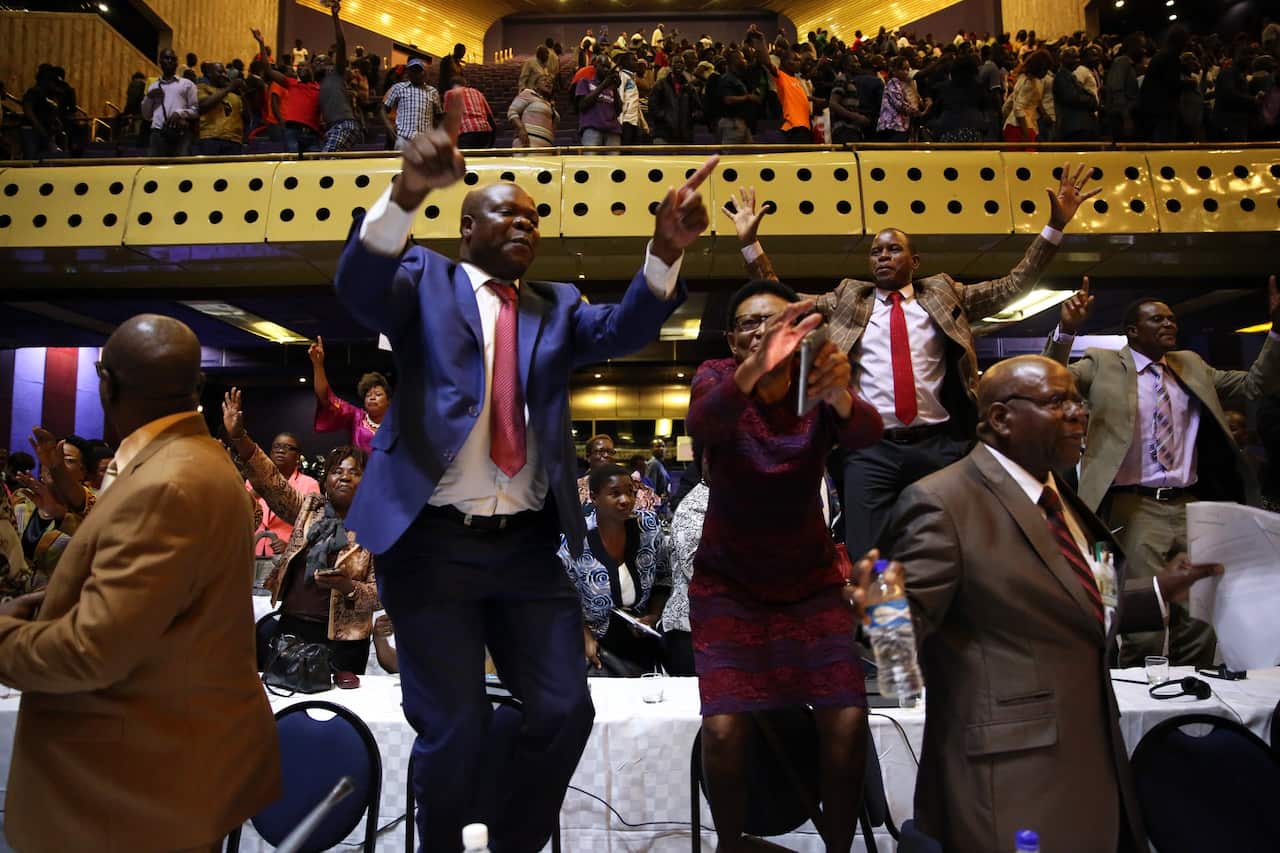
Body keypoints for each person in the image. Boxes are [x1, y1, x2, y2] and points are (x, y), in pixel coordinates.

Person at [331, 92, 715, 851]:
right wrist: (407, 189)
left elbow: (626, 327)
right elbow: (357, 286)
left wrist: (665, 249)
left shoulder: (556, 304)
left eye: (535, 217)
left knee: (565, 708)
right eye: (508, 213)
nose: (525, 224)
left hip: (525, 549)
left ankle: (509, 840)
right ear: (466, 227)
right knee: (453, 727)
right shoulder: (422, 280)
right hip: (431, 546)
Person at [867, 355, 1222, 851]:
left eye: (1078, 400)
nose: (1080, 413)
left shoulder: (1066, 498)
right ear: (1000, 419)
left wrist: (1161, 591)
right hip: (1010, 779)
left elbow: (1087, 601)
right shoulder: (941, 503)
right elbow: (898, 653)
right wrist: (880, 610)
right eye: (1058, 401)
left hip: (1094, 760)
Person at [724, 165, 1100, 567]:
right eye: (876, 251)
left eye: (893, 249)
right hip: (870, 449)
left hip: (940, 443)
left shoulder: (943, 292)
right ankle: (880, 627)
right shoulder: (850, 297)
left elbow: (1012, 285)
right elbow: (786, 302)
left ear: (914, 260)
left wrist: (1054, 228)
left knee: (956, 546)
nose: (882, 256)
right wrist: (750, 244)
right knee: (867, 555)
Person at [0, 315, 280, 852]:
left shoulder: (169, 482)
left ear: (108, 385)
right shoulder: (188, 461)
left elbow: (91, 650)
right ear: (198, 389)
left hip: (130, 791)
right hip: (158, 773)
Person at [687, 281, 883, 853]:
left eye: (776, 322)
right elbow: (704, 423)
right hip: (729, 584)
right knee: (723, 729)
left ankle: (839, 849)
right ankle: (730, 845)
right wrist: (756, 367)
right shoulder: (717, 376)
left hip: (811, 584)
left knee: (846, 722)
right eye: (750, 323)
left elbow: (867, 435)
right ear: (732, 337)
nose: (763, 331)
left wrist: (842, 396)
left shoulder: (817, 378)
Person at [1044, 275, 1280, 667]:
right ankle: (1140, 708)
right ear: (1133, 331)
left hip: (1191, 504)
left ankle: (1195, 705)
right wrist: (1066, 331)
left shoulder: (1191, 365)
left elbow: (1257, 385)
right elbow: (1050, 379)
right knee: (1144, 619)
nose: (1169, 324)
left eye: (1171, 319)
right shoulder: (1102, 365)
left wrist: (1277, 331)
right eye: (1158, 320)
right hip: (1132, 507)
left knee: (1199, 615)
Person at [223, 389, 379, 674]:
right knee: (283, 706)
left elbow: (382, 593)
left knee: (336, 712)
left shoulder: (376, 527)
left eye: (354, 472)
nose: (344, 476)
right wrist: (240, 438)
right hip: (292, 627)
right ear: (326, 478)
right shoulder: (309, 507)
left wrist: (348, 587)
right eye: (337, 471)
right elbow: (271, 483)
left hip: (343, 642)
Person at [560, 463, 670, 676]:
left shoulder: (648, 527)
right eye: (615, 494)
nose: (626, 500)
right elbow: (562, 595)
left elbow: (663, 579)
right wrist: (583, 634)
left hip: (641, 642)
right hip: (593, 644)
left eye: (630, 492)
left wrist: (653, 615)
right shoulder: (576, 539)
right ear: (594, 497)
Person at [308, 335, 390, 454]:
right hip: (361, 472)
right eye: (368, 395)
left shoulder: (397, 423)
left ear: (389, 401)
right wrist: (318, 365)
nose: (372, 398)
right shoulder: (356, 417)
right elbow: (327, 398)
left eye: (378, 394)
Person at [245, 429, 320, 557]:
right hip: (251, 552)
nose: (281, 450)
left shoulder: (309, 484)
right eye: (277, 446)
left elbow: (313, 526)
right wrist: (253, 494)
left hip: (285, 557)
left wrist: (291, 546)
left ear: (298, 456)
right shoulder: (253, 481)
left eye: (288, 447)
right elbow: (238, 514)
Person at [577, 434, 660, 512]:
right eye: (601, 451)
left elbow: (650, 507)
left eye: (610, 452)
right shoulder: (576, 487)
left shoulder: (630, 482)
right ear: (588, 457)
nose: (606, 455)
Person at [141, 48, 197, 156]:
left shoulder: (187, 84)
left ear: (177, 63)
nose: (170, 61)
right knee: (154, 170)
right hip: (158, 133)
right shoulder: (153, 86)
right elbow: (146, 115)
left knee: (181, 169)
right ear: (160, 62)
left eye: (173, 59)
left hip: (181, 133)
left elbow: (195, 110)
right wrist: (149, 97)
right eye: (166, 58)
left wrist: (180, 113)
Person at [382, 57, 442, 151]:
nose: (416, 74)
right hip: (404, 138)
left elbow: (438, 116)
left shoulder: (432, 91)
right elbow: (383, 109)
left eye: (418, 70)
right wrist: (389, 126)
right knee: (401, 165)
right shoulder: (398, 88)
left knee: (425, 166)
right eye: (412, 70)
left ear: (423, 73)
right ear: (408, 73)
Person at [196, 62, 247, 154]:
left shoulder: (234, 95)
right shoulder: (202, 88)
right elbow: (203, 106)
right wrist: (229, 88)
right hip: (210, 138)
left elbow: (246, 117)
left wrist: (244, 94)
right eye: (219, 72)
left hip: (234, 140)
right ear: (209, 74)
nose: (223, 75)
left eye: (224, 72)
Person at [878, 55, 930, 141]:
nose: (906, 72)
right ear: (894, 71)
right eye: (902, 69)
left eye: (907, 69)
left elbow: (915, 99)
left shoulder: (910, 82)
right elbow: (900, 105)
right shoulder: (893, 83)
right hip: (894, 127)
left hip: (906, 124)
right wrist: (920, 113)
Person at [575, 54, 623, 146]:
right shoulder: (585, 82)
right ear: (596, 66)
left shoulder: (611, 87)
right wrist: (603, 86)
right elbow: (582, 105)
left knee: (615, 160)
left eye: (608, 67)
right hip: (592, 128)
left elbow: (618, 110)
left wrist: (615, 88)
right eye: (603, 66)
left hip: (613, 131)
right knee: (592, 160)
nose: (606, 70)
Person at [507, 73, 557, 148]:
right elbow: (512, 111)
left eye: (551, 82)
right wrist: (521, 129)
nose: (548, 82)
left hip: (546, 145)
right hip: (527, 142)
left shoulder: (550, 104)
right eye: (544, 80)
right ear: (536, 85)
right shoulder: (528, 93)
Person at [444, 76, 495, 149]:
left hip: (466, 132)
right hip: (485, 131)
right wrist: (491, 141)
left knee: (467, 158)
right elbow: (490, 117)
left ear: (452, 86)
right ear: (465, 84)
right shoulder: (477, 92)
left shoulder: (449, 93)